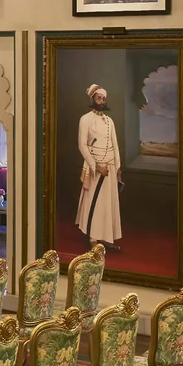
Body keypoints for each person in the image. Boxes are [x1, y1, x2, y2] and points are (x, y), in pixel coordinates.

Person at [76, 83, 123, 250]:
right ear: (92, 99)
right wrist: (96, 167)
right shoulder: (85, 119)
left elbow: (115, 145)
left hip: (110, 167)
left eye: (103, 99)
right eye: (98, 98)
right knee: (94, 203)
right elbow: (82, 145)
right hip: (95, 168)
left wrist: (118, 167)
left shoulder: (109, 121)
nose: (101, 101)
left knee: (108, 204)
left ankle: (106, 237)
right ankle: (93, 237)